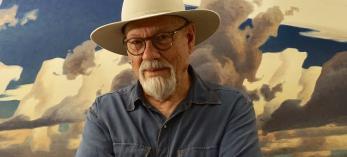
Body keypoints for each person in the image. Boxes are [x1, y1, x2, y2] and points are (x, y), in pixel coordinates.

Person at [75, 0, 262, 156]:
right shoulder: (105, 114)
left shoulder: (232, 109)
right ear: (128, 52)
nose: (149, 55)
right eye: (136, 43)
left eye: (163, 37)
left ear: (189, 39)